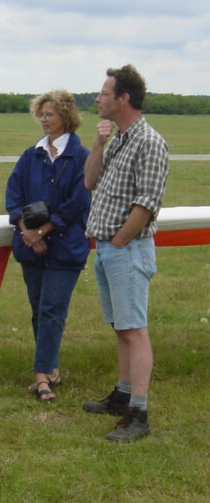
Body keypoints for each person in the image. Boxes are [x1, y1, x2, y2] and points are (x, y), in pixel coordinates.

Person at [83, 64, 169, 441]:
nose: (97, 99)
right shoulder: (118, 138)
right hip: (106, 248)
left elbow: (147, 203)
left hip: (127, 249)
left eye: (104, 93)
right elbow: (89, 181)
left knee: (135, 330)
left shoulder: (149, 142)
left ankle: (139, 413)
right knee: (121, 328)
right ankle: (121, 394)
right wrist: (99, 144)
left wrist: (119, 242)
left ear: (124, 99)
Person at [5, 90, 91, 401]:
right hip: (31, 245)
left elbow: (79, 201)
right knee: (38, 309)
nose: (43, 119)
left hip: (66, 246)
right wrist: (28, 231)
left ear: (66, 117)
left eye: (49, 114)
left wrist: (44, 230)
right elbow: (13, 196)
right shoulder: (31, 155)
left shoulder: (81, 157)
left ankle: (41, 378)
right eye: (40, 114)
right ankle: (51, 367)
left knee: (52, 309)